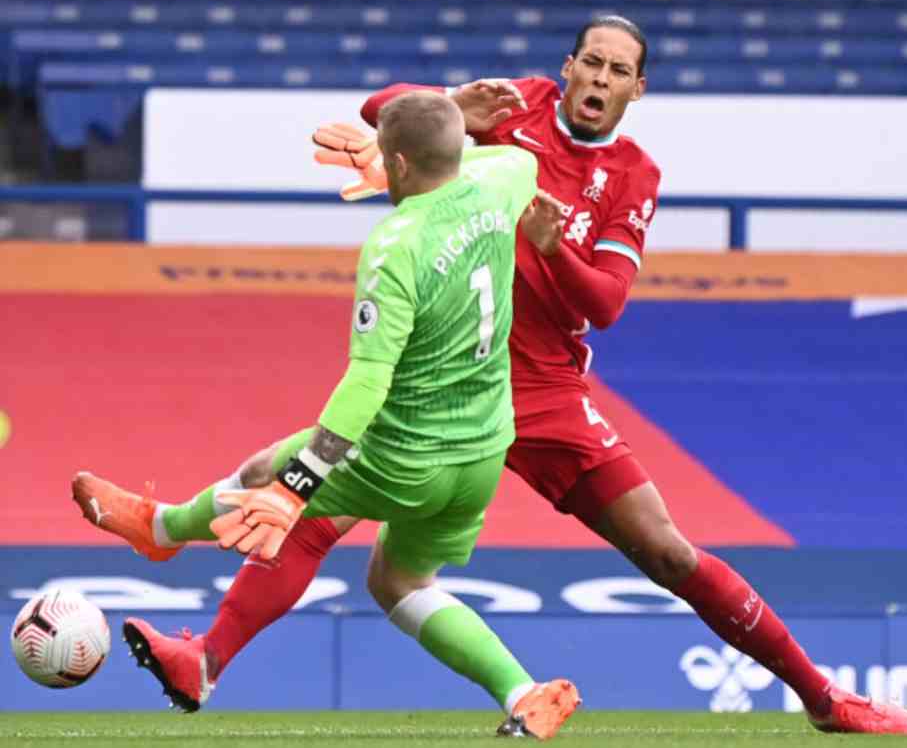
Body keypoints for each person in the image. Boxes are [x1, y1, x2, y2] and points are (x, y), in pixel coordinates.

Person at [72, 15, 907, 735]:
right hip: (444, 375)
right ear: (567, 67)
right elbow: (396, 118)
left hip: (546, 390)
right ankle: (203, 655)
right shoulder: (522, 115)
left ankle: (823, 695)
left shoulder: (631, 176)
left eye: (618, 70)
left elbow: (609, 303)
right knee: (313, 520)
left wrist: (556, 251)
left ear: (637, 91)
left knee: (665, 548)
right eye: (589, 60)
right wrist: (453, 99)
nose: (598, 77)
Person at [83, 91, 582, 739]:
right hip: (484, 449)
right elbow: (496, 160)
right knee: (402, 580)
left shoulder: (395, 244)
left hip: (404, 452)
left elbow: (367, 381)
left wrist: (298, 483)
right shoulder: (506, 176)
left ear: (396, 163)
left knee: (267, 473)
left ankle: (162, 527)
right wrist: (418, 150)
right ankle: (523, 692)